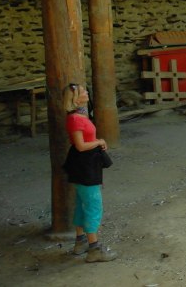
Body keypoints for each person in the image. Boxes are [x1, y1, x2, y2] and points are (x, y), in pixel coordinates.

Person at [62, 82, 117, 263]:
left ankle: (81, 242)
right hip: (84, 165)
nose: (86, 92)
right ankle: (94, 249)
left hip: (83, 164)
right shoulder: (76, 119)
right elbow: (80, 145)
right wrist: (99, 141)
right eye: (82, 91)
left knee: (81, 203)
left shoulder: (78, 115)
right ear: (76, 99)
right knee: (93, 205)